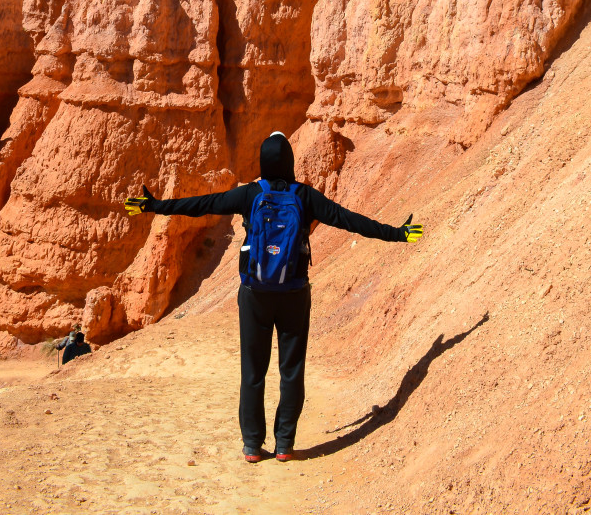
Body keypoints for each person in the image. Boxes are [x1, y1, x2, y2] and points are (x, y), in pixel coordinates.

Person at [124, 131, 423, 462]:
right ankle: (284, 445)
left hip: (254, 293)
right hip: (294, 292)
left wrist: (154, 206)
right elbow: (349, 220)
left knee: (253, 371)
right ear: (290, 163)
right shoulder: (305, 196)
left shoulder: (251, 195)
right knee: (290, 370)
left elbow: (204, 204)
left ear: (264, 163)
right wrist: (397, 234)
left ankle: (253, 445)